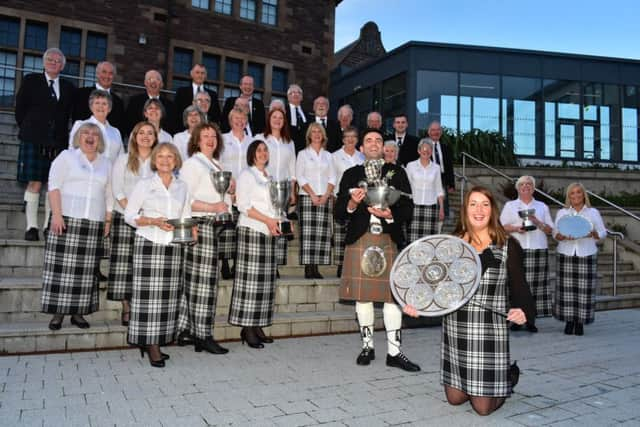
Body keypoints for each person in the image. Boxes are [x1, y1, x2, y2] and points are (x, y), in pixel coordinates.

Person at [405, 186, 534, 416]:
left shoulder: (507, 245)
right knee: (455, 399)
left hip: (489, 331)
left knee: (482, 409)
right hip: (456, 328)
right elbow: (434, 284)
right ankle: (479, 383)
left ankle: (506, 378)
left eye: (485, 204)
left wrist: (522, 309)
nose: (479, 209)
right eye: (473, 203)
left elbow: (520, 287)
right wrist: (417, 305)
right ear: (465, 209)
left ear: (492, 210)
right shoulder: (451, 243)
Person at [335, 128, 420, 372]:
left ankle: (394, 352)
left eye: (378, 140)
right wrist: (351, 203)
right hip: (360, 237)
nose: (373, 143)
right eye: (368, 140)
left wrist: (390, 213)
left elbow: (408, 208)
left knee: (393, 297)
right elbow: (339, 213)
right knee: (362, 297)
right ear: (361, 148)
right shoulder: (351, 174)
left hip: (388, 237)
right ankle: (367, 345)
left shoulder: (398, 173)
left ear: (384, 147)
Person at [124, 143, 194, 368]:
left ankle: (157, 341)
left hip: (172, 245)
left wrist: (192, 231)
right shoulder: (145, 184)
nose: (165, 160)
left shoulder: (182, 186)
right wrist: (152, 221)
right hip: (149, 243)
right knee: (148, 299)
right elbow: (129, 215)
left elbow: (185, 213)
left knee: (167, 298)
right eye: (161, 156)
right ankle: (151, 345)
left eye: (170, 156)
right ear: (154, 160)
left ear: (176, 160)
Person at [41, 123, 112, 330]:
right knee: (60, 270)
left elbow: (109, 193)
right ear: (78, 137)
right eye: (86, 133)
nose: (90, 137)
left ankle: (79, 314)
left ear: (100, 140)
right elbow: (53, 186)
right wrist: (56, 215)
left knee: (86, 271)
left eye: (95, 134)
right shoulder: (66, 156)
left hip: (93, 222)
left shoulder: (106, 163)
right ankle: (58, 313)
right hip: (66, 220)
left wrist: (107, 219)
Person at [176, 123, 230, 354]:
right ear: (196, 140)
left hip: (212, 226)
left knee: (199, 282)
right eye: (204, 136)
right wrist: (212, 206)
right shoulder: (192, 164)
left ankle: (188, 331)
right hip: (199, 225)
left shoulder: (216, 164)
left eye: (213, 136)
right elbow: (184, 198)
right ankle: (203, 335)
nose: (210, 139)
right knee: (204, 284)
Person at [15, 47, 75, 241]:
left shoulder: (68, 87)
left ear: (62, 66)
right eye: (50, 59)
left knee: (53, 184)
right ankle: (31, 227)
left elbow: (68, 114)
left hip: (57, 141)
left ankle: (48, 225)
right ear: (44, 62)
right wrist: (30, 130)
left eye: (58, 61)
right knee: (35, 182)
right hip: (34, 137)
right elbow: (20, 109)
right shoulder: (31, 80)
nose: (54, 63)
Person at [228, 140, 281, 348]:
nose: (263, 153)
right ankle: (247, 329)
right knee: (250, 282)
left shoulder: (270, 177)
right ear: (252, 154)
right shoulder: (247, 175)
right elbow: (243, 205)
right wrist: (267, 220)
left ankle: (258, 325)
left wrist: (281, 222)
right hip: (251, 229)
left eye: (265, 150)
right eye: (259, 150)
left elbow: (275, 207)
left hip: (268, 232)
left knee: (265, 284)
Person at [107, 122, 157, 327]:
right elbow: (117, 189)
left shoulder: (159, 160)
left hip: (150, 220)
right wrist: (132, 212)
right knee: (123, 265)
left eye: (150, 133)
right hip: (125, 217)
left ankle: (141, 306)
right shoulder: (123, 159)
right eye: (142, 133)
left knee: (144, 267)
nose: (146, 136)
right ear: (134, 136)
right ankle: (126, 307)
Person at [500, 175, 554, 332]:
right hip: (517, 249)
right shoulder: (510, 206)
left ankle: (531, 320)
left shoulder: (542, 206)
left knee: (534, 286)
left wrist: (536, 221)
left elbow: (550, 230)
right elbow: (502, 226)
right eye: (522, 184)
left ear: (533, 188)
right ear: (517, 188)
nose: (525, 186)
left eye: (529, 184)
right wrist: (517, 228)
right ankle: (516, 320)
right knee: (516, 286)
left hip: (537, 249)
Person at [553, 183, 606, 336]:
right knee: (566, 290)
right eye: (572, 193)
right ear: (568, 196)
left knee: (584, 290)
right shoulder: (562, 212)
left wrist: (594, 234)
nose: (575, 196)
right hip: (566, 253)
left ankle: (580, 322)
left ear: (584, 195)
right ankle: (569, 322)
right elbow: (555, 233)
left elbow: (602, 232)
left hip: (587, 253)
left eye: (578, 193)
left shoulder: (593, 212)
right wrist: (561, 236)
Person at [256, 108, 296, 270]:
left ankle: (276, 265)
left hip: (284, 190)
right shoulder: (260, 138)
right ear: (269, 119)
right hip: (266, 188)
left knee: (282, 224)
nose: (277, 120)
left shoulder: (289, 142)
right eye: (274, 117)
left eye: (281, 117)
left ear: (284, 121)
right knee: (268, 224)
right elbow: (254, 161)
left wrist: (292, 191)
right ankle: (265, 262)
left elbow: (292, 169)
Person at [296, 122, 336, 279]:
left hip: (324, 196)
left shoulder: (328, 156)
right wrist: (312, 194)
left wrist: (326, 195)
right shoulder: (303, 154)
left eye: (319, 132)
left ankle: (316, 267)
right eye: (314, 132)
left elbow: (333, 176)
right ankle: (308, 267)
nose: (317, 134)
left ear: (323, 135)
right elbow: (300, 176)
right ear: (309, 135)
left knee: (321, 234)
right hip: (307, 196)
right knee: (307, 233)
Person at [219, 107, 252, 279]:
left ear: (246, 121)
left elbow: (254, 167)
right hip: (227, 190)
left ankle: (238, 264)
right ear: (231, 121)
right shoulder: (223, 139)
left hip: (246, 192)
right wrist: (228, 184)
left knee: (242, 229)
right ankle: (225, 263)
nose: (239, 121)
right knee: (227, 229)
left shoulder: (251, 141)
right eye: (236, 118)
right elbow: (218, 163)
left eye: (242, 118)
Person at [332, 126, 364, 278]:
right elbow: (332, 178)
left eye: (353, 136)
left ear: (357, 139)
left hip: (360, 200)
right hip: (342, 198)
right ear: (343, 139)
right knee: (340, 233)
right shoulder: (335, 156)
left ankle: (353, 263)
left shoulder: (362, 156)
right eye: (347, 136)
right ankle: (340, 265)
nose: (350, 139)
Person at [71, 61, 126, 136]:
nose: (107, 76)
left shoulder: (118, 102)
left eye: (111, 73)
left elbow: (120, 129)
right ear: (97, 74)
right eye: (104, 72)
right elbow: (75, 118)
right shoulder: (81, 94)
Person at [405, 139, 444, 242]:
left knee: (428, 242)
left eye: (429, 149)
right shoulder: (410, 166)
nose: (426, 151)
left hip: (431, 208)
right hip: (413, 207)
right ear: (419, 150)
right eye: (423, 149)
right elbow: (406, 187)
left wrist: (441, 209)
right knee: (412, 241)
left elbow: (439, 189)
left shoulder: (436, 168)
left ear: (431, 152)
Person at [69, 90, 123, 163]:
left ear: (109, 109)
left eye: (104, 103)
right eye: (97, 103)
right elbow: (72, 152)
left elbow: (120, 157)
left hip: (110, 173)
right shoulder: (80, 125)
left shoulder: (115, 132)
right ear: (91, 107)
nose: (100, 106)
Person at [125, 70, 176, 135]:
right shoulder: (134, 102)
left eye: (157, 79)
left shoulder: (170, 105)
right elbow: (129, 125)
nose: (153, 82)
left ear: (161, 84)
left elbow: (173, 127)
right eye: (150, 79)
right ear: (145, 83)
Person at [174, 63, 222, 128]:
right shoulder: (181, 92)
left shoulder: (213, 94)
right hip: (185, 129)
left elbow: (216, 116)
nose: (200, 75)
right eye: (197, 72)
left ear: (206, 76)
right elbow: (176, 113)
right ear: (191, 74)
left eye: (202, 73)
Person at [427, 121, 455, 218]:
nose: (436, 132)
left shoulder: (446, 147)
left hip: (442, 178)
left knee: (443, 204)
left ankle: (441, 226)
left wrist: (452, 184)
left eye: (438, 130)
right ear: (429, 132)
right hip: (428, 178)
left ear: (441, 132)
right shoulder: (424, 147)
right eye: (433, 130)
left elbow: (449, 167)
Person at [285, 84, 308, 153]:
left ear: (302, 97)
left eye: (299, 93)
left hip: (304, 150)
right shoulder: (283, 112)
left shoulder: (307, 114)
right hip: (288, 148)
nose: (296, 94)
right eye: (292, 93)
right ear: (288, 97)